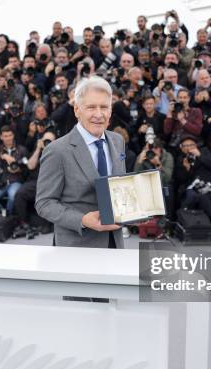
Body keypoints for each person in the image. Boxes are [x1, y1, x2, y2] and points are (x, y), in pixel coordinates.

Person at [35, 76, 126, 248]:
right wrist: (82, 220)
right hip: (77, 246)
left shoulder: (117, 140)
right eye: (91, 107)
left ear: (111, 111)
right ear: (77, 110)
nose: (99, 114)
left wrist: (136, 212)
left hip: (115, 242)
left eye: (104, 107)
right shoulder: (57, 150)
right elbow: (44, 203)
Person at [173, 135, 211, 226]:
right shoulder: (181, 159)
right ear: (182, 148)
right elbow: (179, 179)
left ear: (196, 146)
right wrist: (187, 169)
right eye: (185, 146)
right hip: (191, 187)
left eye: (191, 145)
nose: (189, 148)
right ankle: (185, 223)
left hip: (207, 184)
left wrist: (199, 155)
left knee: (204, 196)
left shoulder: (204, 152)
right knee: (191, 195)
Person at [0, 127, 28, 214]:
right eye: (5, 136)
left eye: (10, 135)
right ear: (1, 137)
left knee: (13, 196)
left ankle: (9, 215)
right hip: (1, 181)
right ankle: (4, 214)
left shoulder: (22, 149)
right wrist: (2, 158)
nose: (8, 138)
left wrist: (18, 169)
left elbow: (27, 168)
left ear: (13, 135)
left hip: (16, 180)